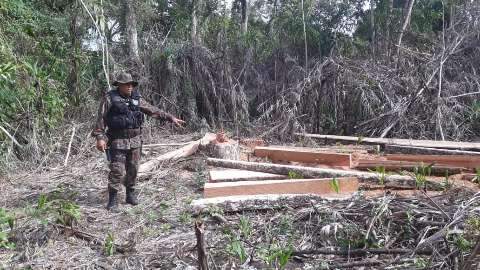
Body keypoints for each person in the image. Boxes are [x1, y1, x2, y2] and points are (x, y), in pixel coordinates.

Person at [92, 71, 185, 210]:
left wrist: (170, 117)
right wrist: (100, 137)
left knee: (133, 169)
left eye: (131, 85)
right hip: (117, 141)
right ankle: (112, 200)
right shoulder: (110, 98)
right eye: (126, 85)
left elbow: (152, 110)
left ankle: (130, 195)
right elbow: (101, 118)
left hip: (135, 140)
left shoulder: (136, 98)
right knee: (117, 170)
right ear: (119, 85)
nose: (130, 87)